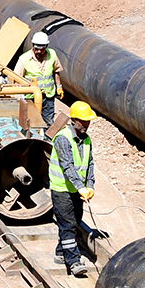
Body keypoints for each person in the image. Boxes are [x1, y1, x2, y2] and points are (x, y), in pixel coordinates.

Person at [48, 100, 97, 278]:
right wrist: (80, 187)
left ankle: (61, 252)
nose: (86, 125)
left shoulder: (86, 140)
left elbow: (89, 163)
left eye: (88, 122)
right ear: (74, 120)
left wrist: (89, 186)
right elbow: (67, 166)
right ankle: (74, 261)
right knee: (68, 225)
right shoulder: (63, 139)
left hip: (77, 190)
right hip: (62, 189)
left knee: (75, 222)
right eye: (83, 122)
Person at [13, 32, 64, 133]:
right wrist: (18, 96)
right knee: (31, 122)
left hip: (48, 95)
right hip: (31, 98)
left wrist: (59, 87)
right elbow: (16, 79)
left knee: (48, 122)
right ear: (32, 46)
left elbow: (56, 71)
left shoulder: (52, 54)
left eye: (42, 48)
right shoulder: (24, 59)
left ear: (46, 46)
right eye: (37, 49)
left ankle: (46, 141)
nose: (39, 51)